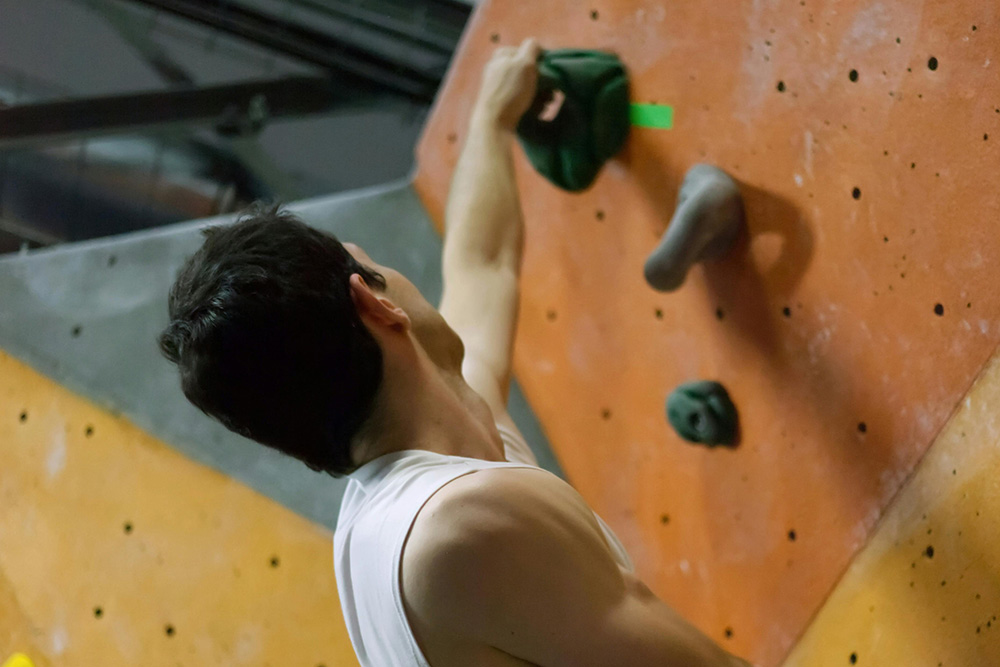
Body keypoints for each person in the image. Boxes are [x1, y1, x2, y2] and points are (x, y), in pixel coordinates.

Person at [160, 38, 751, 667]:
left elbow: (481, 263)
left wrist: (494, 116)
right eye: (373, 263)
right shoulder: (464, 527)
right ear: (376, 304)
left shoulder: (430, 473)